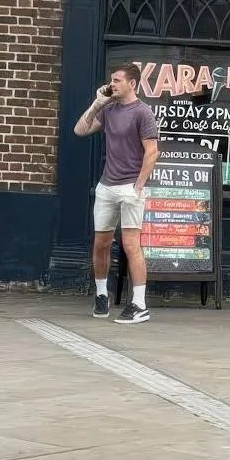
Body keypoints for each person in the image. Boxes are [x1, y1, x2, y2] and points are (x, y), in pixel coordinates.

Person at [74, 62, 159, 324]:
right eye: (111, 80)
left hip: (130, 187)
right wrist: (97, 103)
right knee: (101, 243)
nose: (112, 84)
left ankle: (139, 304)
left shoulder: (143, 112)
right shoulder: (108, 110)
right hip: (107, 186)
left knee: (131, 244)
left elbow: (152, 152)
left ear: (132, 84)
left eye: (117, 80)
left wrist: (138, 187)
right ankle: (102, 295)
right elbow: (79, 130)